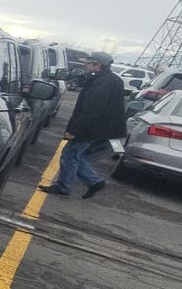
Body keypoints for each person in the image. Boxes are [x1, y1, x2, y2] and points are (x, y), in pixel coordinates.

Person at [42, 51, 126, 199]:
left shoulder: (102, 82)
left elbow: (92, 109)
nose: (85, 65)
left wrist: (75, 130)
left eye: (88, 63)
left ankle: (65, 186)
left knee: (70, 154)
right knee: (77, 155)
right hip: (104, 128)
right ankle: (94, 182)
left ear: (97, 65)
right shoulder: (112, 80)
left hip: (92, 128)